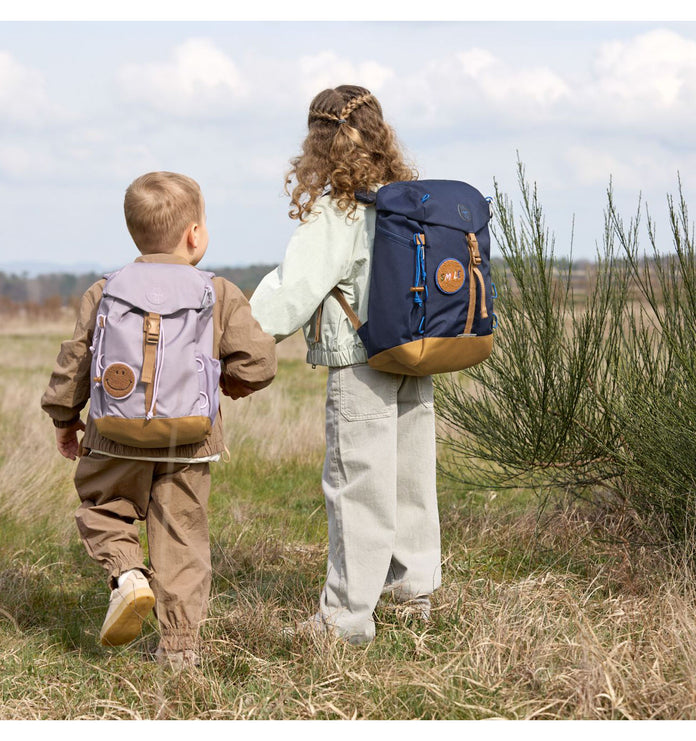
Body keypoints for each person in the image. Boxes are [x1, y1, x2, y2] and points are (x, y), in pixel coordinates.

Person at [41, 171, 277, 668]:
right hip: (188, 441)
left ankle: (128, 576)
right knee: (183, 536)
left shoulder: (105, 289)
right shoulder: (219, 291)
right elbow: (260, 362)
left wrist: (66, 417)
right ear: (195, 234)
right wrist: (224, 385)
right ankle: (180, 650)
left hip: (112, 435)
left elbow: (75, 360)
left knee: (103, 509)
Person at [250, 85, 440, 645]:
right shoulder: (409, 202)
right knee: (410, 481)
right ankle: (413, 598)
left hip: (361, 360)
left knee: (358, 486)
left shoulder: (338, 211)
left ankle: (344, 622)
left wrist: (231, 335)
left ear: (318, 141)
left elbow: (292, 291)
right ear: (382, 134)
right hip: (416, 356)